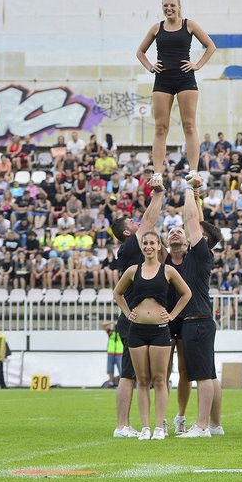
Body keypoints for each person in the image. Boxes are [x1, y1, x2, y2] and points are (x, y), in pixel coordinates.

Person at [112, 227, 192, 441]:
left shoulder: (168, 271)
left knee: (159, 379)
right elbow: (117, 293)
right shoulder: (132, 270)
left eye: (152, 243)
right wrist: (128, 312)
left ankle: (159, 427)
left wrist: (173, 315)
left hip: (159, 331)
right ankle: (145, 427)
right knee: (142, 379)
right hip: (137, 330)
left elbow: (186, 294)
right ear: (142, 246)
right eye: (145, 243)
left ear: (159, 246)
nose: (148, 247)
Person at [135, 0, 216, 185]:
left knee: (189, 125)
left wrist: (197, 65)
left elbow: (210, 47)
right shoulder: (157, 28)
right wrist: (150, 66)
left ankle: (194, 171)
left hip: (185, 79)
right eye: (165, 5)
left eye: (172, 5)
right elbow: (140, 52)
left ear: (179, 6)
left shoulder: (189, 25)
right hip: (162, 80)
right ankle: (157, 173)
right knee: (160, 127)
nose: (168, 8)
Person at [109, 178, 165, 438]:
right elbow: (150, 223)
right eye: (132, 223)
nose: (136, 222)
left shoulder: (127, 249)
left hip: (131, 318)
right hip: (133, 319)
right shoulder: (133, 245)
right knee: (129, 375)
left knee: (131, 374)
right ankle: (122, 425)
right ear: (129, 234)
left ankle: (125, 424)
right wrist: (158, 194)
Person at [170, 178, 222, 438]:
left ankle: (202, 427)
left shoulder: (201, 252)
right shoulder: (199, 254)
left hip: (197, 320)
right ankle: (214, 425)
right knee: (209, 374)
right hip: (200, 320)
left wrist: (189, 188)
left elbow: (192, 219)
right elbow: (196, 219)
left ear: (203, 238)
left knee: (202, 376)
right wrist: (197, 196)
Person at [103, 320, 124, 388]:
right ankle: (111, 383)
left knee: (121, 370)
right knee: (110, 369)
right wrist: (112, 322)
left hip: (119, 353)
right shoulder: (111, 332)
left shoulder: (122, 333)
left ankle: (121, 384)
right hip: (111, 353)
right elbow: (103, 325)